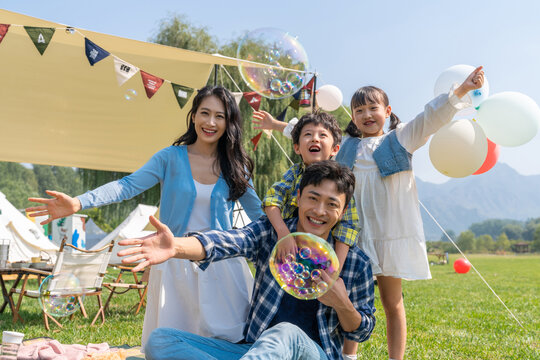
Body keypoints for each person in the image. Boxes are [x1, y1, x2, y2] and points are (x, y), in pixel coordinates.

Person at [252, 67, 485, 360]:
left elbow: (431, 117)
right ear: (352, 117)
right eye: (359, 110)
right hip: (350, 236)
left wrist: (461, 90)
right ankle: (349, 355)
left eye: (373, 108)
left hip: (390, 235)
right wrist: (276, 125)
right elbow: (314, 137)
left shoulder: (401, 139)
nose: (366, 115)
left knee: (392, 301)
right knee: (347, 296)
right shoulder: (346, 146)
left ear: (387, 111)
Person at [26, 86, 264, 349]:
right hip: (174, 264)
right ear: (193, 115)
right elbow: (126, 186)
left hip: (223, 266)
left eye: (219, 116)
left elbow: (261, 217)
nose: (210, 122)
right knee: (174, 347)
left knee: (229, 343)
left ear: (229, 122)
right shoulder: (170, 158)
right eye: (204, 113)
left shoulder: (236, 165)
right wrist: (78, 202)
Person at [118, 160, 376, 360]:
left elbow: (361, 330)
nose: (320, 211)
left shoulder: (355, 262)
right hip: (256, 352)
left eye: (331, 204)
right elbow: (228, 241)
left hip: (313, 353)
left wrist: (343, 304)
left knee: (286, 333)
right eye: (313, 198)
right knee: (161, 340)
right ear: (298, 197)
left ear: (342, 211)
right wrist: (176, 246)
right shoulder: (272, 233)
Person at [261, 111, 361, 359]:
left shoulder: (341, 183)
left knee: (337, 297)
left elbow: (348, 228)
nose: (314, 139)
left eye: (322, 135)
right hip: (292, 250)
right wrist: (284, 234)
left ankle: (347, 354)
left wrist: (334, 268)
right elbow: (271, 200)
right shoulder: (294, 175)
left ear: (335, 148)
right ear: (297, 147)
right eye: (307, 135)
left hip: (327, 255)